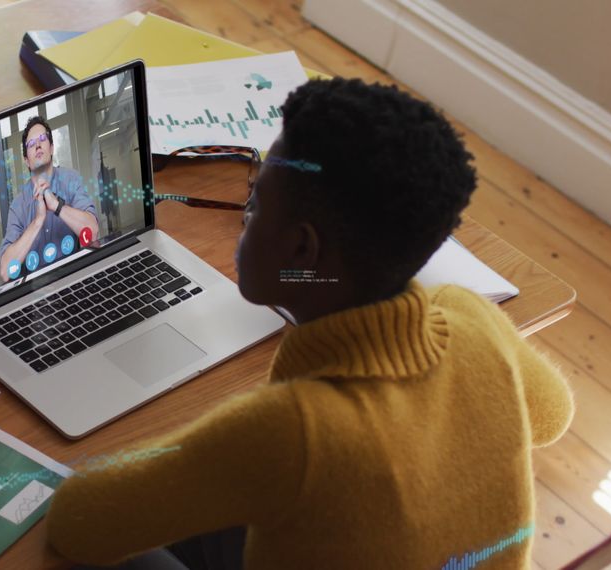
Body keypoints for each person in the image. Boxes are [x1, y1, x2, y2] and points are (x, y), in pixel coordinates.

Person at [45, 78, 574, 569]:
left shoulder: (292, 431)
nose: (244, 219)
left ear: (301, 249)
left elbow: (77, 521)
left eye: (253, 206)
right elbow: (552, 415)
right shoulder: (473, 318)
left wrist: (206, 446)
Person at [0, 116, 99, 281]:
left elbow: (93, 232)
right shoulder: (18, 206)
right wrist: (38, 220)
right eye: (31, 144)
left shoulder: (70, 179)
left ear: (51, 148)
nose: (37, 145)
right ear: (26, 161)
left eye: (42, 139)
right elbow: (5, 272)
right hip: (36, 294)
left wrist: (56, 206)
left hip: (75, 280)